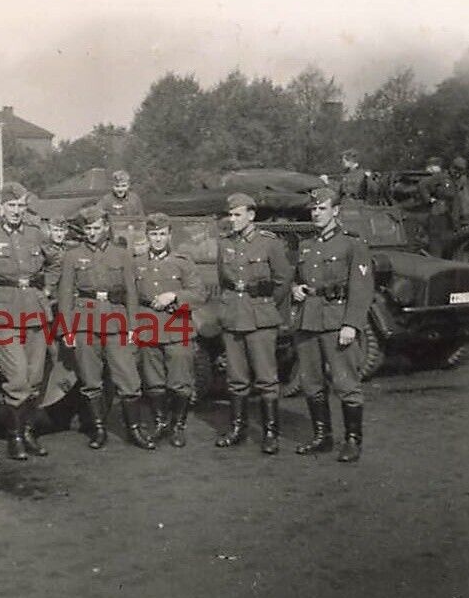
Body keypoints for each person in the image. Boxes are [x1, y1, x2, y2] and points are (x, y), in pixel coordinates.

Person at [58, 205, 151, 450]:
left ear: (106, 228)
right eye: (88, 228)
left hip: (115, 320)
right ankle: (98, 429)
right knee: (90, 381)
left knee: (129, 380)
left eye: (96, 228)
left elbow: (132, 292)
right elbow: (65, 294)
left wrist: (133, 325)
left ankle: (134, 430)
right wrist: (67, 329)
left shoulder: (122, 255)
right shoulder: (72, 256)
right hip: (84, 322)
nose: (92, 232)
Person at [291, 187, 374, 463]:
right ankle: (322, 437)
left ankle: (352, 440)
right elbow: (296, 277)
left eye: (322, 208)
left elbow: (361, 288)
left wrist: (351, 324)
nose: (316, 213)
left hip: (336, 321)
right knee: (312, 383)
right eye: (313, 209)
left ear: (335, 211)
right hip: (308, 320)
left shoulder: (352, 243)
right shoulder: (306, 244)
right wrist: (296, 289)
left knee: (346, 383)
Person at [0, 182, 54, 460]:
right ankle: (14, 437)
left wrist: (49, 287)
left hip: (35, 310)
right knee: (18, 379)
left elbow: (56, 261)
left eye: (20, 206)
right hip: (4, 314)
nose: (16, 211)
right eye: (11, 206)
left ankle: (28, 433)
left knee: (35, 379)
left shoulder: (36, 234)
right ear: (1, 208)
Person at [215, 193, 293, 454]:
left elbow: (283, 280)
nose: (232, 219)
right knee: (236, 378)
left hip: (260, 318)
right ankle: (238, 428)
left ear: (251, 215)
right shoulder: (224, 243)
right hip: (233, 316)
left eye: (238, 214)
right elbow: (222, 279)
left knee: (266, 378)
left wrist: (266, 303)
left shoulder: (269, 243)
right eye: (230, 215)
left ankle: (271, 433)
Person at [135, 213, 204, 447]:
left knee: (180, 381)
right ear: (146, 235)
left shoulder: (183, 261)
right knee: (153, 381)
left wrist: (174, 295)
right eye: (153, 234)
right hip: (148, 326)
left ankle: (178, 426)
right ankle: (160, 423)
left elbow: (198, 294)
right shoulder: (137, 262)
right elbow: (130, 296)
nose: (157, 239)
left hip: (177, 326)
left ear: (169, 235)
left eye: (162, 234)